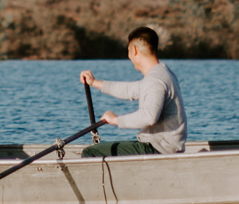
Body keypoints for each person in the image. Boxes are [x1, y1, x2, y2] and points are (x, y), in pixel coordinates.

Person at [78, 25, 187, 156]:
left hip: (159, 149)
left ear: (134, 50)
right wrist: (94, 83)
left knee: (90, 152)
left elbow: (149, 117)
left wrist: (116, 120)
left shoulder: (155, 79)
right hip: (162, 146)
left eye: (128, 51)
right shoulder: (162, 73)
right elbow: (131, 90)